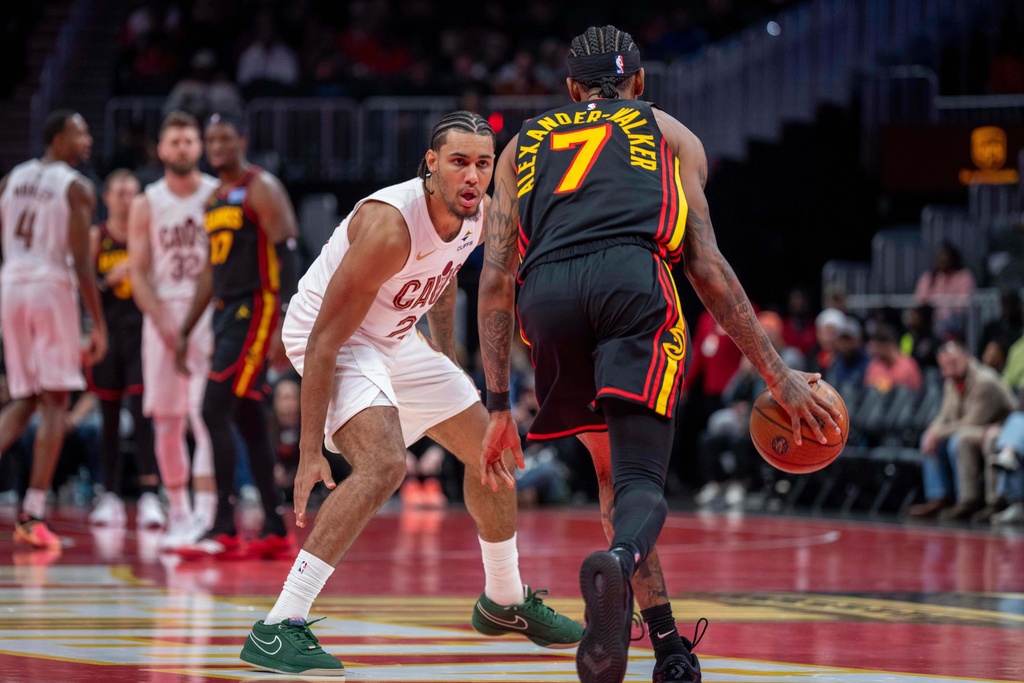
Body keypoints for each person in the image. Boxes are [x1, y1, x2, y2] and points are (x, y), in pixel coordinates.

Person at [477, 25, 842, 683]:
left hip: (547, 298)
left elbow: (495, 279)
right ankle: (618, 563)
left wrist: (499, 404)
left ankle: (669, 646)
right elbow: (706, 266)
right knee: (639, 485)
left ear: (570, 91)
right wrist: (779, 374)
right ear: (639, 83)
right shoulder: (670, 135)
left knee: (611, 478)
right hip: (630, 281)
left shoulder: (519, 147)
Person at [237, 111, 581, 677]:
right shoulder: (390, 224)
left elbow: (442, 282)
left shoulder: (478, 215)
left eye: (483, 163)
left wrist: (444, 359)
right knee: (383, 466)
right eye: (459, 162)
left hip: (395, 337)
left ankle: (504, 601)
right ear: (430, 164)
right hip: (333, 337)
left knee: (493, 449)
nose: (473, 175)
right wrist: (307, 452)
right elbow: (323, 341)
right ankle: (278, 626)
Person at [175, 112, 299, 559]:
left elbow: (287, 250)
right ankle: (274, 526)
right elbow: (211, 270)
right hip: (226, 313)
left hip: (259, 308)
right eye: (212, 139)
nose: (218, 145)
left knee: (212, 409)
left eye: (225, 137)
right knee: (246, 417)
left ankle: (224, 527)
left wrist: (287, 319)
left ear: (242, 139)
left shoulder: (260, 186)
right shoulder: (214, 200)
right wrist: (187, 326)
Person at [0, 110, 107, 548]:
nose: (88, 141)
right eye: (80, 133)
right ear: (58, 137)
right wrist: (96, 322)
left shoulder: (10, 180)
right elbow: (82, 262)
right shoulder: (76, 186)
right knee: (57, 399)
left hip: (11, 284)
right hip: (49, 286)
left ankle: (32, 511)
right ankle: (33, 513)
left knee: (25, 398)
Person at [127, 110, 218, 547]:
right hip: (163, 313)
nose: (182, 148)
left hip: (210, 311)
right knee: (167, 420)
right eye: (175, 141)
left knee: (206, 415)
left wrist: (195, 322)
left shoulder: (220, 195)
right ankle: (178, 513)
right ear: (161, 149)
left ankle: (207, 513)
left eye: (189, 141)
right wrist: (167, 325)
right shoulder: (146, 202)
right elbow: (138, 273)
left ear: (199, 147)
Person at [87, 169, 161, 527]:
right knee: (110, 419)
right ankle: (110, 494)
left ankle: (149, 495)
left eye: (132, 192)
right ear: (107, 198)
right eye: (119, 192)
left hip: (142, 337)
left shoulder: (147, 238)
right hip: (108, 336)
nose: (126, 199)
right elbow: (83, 290)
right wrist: (105, 280)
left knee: (145, 417)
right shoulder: (97, 237)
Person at [909, 341, 1017, 520]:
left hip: (1003, 430)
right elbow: (943, 416)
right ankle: (939, 497)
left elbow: (972, 421)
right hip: (977, 429)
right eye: (944, 364)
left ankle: (983, 502)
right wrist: (932, 431)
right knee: (928, 439)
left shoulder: (984, 381)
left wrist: (938, 433)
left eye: (953, 362)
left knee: (958, 441)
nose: (948, 368)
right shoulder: (951, 380)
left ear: (967, 358)